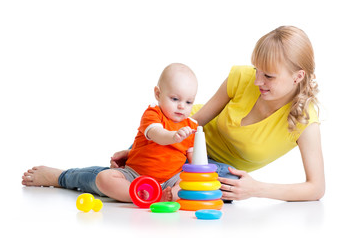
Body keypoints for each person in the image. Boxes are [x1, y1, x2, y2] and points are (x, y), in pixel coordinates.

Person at [111, 26, 325, 202]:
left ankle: (150, 190)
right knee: (102, 177)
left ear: (298, 76)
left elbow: (316, 188)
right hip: (176, 138)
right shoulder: (242, 77)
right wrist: (142, 149)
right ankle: (87, 177)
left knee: (224, 183)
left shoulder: (305, 121)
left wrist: (256, 189)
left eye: (268, 76)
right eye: (256, 70)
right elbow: (196, 121)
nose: (257, 81)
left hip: (215, 167)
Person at [22, 63, 199, 202]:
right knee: (104, 178)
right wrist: (173, 136)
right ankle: (138, 195)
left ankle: (162, 195)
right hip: (135, 175)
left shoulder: (191, 125)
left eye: (189, 102)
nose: (182, 106)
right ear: (158, 94)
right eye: (175, 99)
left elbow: (194, 161)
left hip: (170, 179)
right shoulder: (153, 114)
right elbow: (156, 134)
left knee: (185, 187)